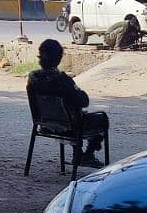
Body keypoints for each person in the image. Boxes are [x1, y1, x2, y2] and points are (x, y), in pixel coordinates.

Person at [27, 39, 107, 168]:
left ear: (40, 57)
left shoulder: (33, 78)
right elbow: (84, 101)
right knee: (101, 119)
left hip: (44, 123)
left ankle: (79, 154)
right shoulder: (63, 81)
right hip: (69, 127)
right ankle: (87, 155)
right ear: (58, 59)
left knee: (71, 115)